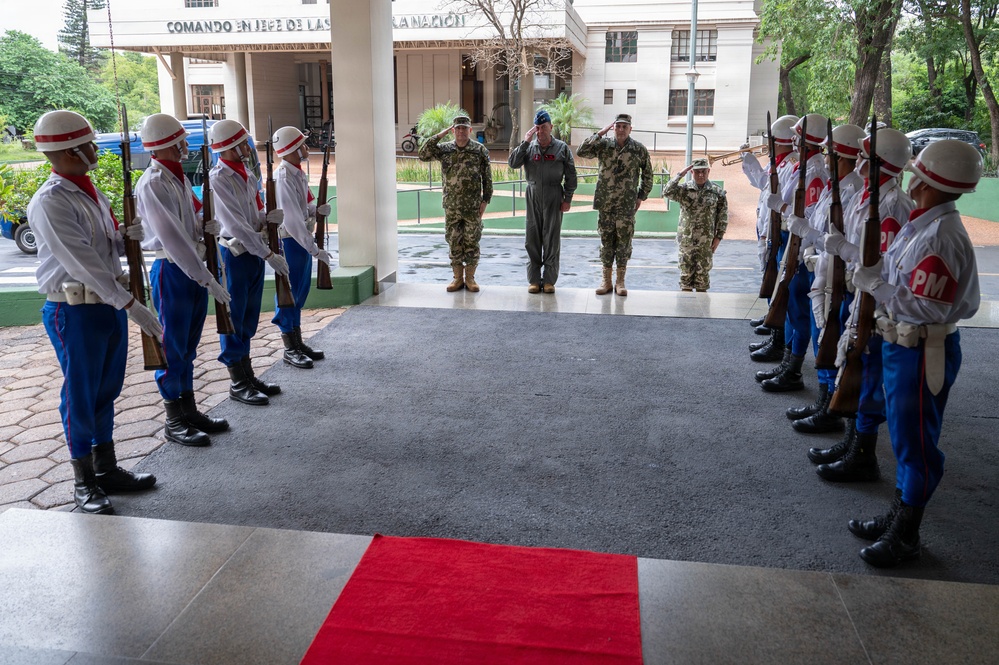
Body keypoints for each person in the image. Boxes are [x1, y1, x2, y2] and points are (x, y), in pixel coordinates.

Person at [846, 139, 981, 567]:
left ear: (927, 178)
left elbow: (927, 305)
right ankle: (900, 512)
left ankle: (908, 533)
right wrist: (857, 260)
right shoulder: (924, 223)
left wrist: (877, 287)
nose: (912, 175)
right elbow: (890, 267)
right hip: (903, 345)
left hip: (922, 349)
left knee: (916, 444)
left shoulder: (940, 236)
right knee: (905, 437)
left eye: (918, 171)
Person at [28, 110, 162, 514]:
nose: (94, 150)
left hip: (106, 305)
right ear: (69, 152)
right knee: (80, 395)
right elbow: (82, 261)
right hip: (76, 311)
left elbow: (103, 248)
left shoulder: (89, 192)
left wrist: (125, 239)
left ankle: (107, 468)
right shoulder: (51, 201)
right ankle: (83, 480)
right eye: (87, 145)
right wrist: (132, 305)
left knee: (107, 390)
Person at [816, 127, 913, 483]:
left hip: (878, 301)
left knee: (867, 372)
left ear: (879, 164)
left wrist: (842, 248)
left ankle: (863, 453)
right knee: (853, 361)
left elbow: (882, 262)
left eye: (864, 157)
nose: (856, 161)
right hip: (860, 293)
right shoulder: (866, 196)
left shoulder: (891, 206)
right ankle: (852, 440)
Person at [137, 113, 232, 446]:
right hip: (174, 270)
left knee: (188, 346)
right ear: (166, 142)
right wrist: (207, 277)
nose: (185, 146)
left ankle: (188, 407)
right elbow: (173, 240)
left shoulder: (175, 177)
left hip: (191, 268)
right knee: (173, 346)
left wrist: (208, 230)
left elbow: (190, 224)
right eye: (180, 140)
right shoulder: (153, 183)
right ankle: (174, 418)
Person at [783, 123, 865, 434]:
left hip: (839, 279)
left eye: (830, 153)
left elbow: (837, 239)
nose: (824, 157)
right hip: (822, 272)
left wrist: (807, 233)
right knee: (823, 339)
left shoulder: (851, 189)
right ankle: (824, 400)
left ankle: (831, 407)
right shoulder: (836, 184)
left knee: (831, 342)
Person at [209, 118, 290, 406]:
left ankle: (247, 373)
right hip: (236, 255)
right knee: (234, 317)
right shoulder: (218, 179)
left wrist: (268, 218)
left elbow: (253, 215)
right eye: (242, 142)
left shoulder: (247, 174)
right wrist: (268, 253)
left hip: (253, 253)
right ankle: (237, 381)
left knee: (248, 316)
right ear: (229, 146)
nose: (247, 147)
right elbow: (236, 224)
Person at [756, 113, 829, 393]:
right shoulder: (804, 168)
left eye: (797, 136)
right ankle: (788, 363)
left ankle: (793, 369)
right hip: (793, 240)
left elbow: (808, 217)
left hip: (803, 246)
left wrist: (784, 210)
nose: (793, 140)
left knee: (798, 307)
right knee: (790, 304)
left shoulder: (813, 173)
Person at [271, 126, 334, 367]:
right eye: (303, 144)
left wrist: (317, 210)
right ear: (293, 149)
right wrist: (314, 249)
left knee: (298, 293)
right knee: (289, 294)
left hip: (299, 240)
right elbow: (293, 220)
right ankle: (290, 347)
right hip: (292, 240)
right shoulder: (285, 176)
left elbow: (304, 207)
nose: (307, 148)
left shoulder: (296, 173)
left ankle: (297, 341)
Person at [576, 113, 654, 296]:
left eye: (624, 127)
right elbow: (581, 151)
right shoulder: (603, 145)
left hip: (627, 206)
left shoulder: (638, 149)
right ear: (613, 127)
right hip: (606, 204)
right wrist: (600, 133)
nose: (620, 130)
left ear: (630, 129)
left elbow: (648, 175)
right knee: (606, 243)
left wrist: (641, 196)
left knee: (624, 244)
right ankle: (606, 281)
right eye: (617, 126)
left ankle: (620, 281)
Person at [418, 114, 493, 292]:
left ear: (470, 130)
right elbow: (423, 154)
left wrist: (485, 201)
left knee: (472, 241)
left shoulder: (479, 150)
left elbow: (487, 178)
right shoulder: (444, 149)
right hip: (452, 206)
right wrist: (440, 135)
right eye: (457, 128)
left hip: (472, 206)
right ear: (453, 130)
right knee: (453, 241)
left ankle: (471, 279)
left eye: (464, 128)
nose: (460, 131)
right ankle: (457, 278)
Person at [746, 114, 798, 361]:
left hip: (780, 230)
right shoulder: (780, 162)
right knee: (771, 277)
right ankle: (772, 321)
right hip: (767, 225)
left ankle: (779, 338)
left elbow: (780, 198)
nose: (770, 143)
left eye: (773, 139)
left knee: (780, 284)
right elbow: (764, 185)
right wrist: (750, 163)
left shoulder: (792, 165)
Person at [508, 109, 577, 293]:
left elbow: (571, 175)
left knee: (551, 239)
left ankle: (548, 281)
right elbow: (513, 163)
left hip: (555, 195)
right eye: (537, 128)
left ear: (551, 127)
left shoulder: (562, 148)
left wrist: (567, 198)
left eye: (543, 127)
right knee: (532, 238)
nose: (540, 131)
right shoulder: (529, 147)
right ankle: (533, 279)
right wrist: (524, 142)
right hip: (533, 194)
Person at [662, 157, 728, 292]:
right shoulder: (684, 190)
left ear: (708, 171)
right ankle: (685, 311)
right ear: (692, 172)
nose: (701, 175)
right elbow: (667, 192)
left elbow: (722, 216)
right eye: (697, 172)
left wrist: (718, 237)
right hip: (687, 240)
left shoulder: (717, 192)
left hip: (705, 242)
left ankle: (700, 311)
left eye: (704, 171)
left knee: (702, 280)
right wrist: (680, 175)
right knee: (685, 279)